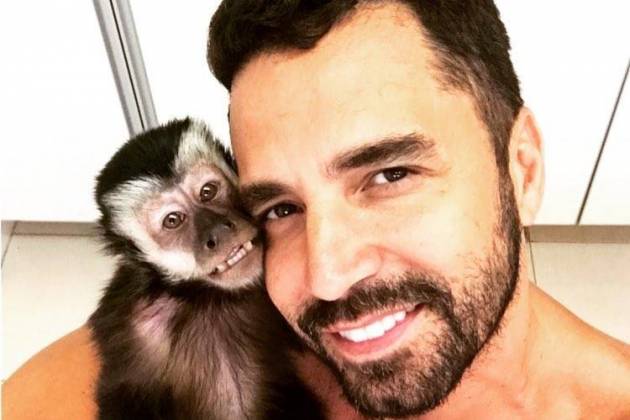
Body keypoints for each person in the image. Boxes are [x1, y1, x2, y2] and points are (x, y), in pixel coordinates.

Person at [3, 1, 629, 419]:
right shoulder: (177, 335)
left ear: (522, 170)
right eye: (280, 207)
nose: (327, 275)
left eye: (389, 174)